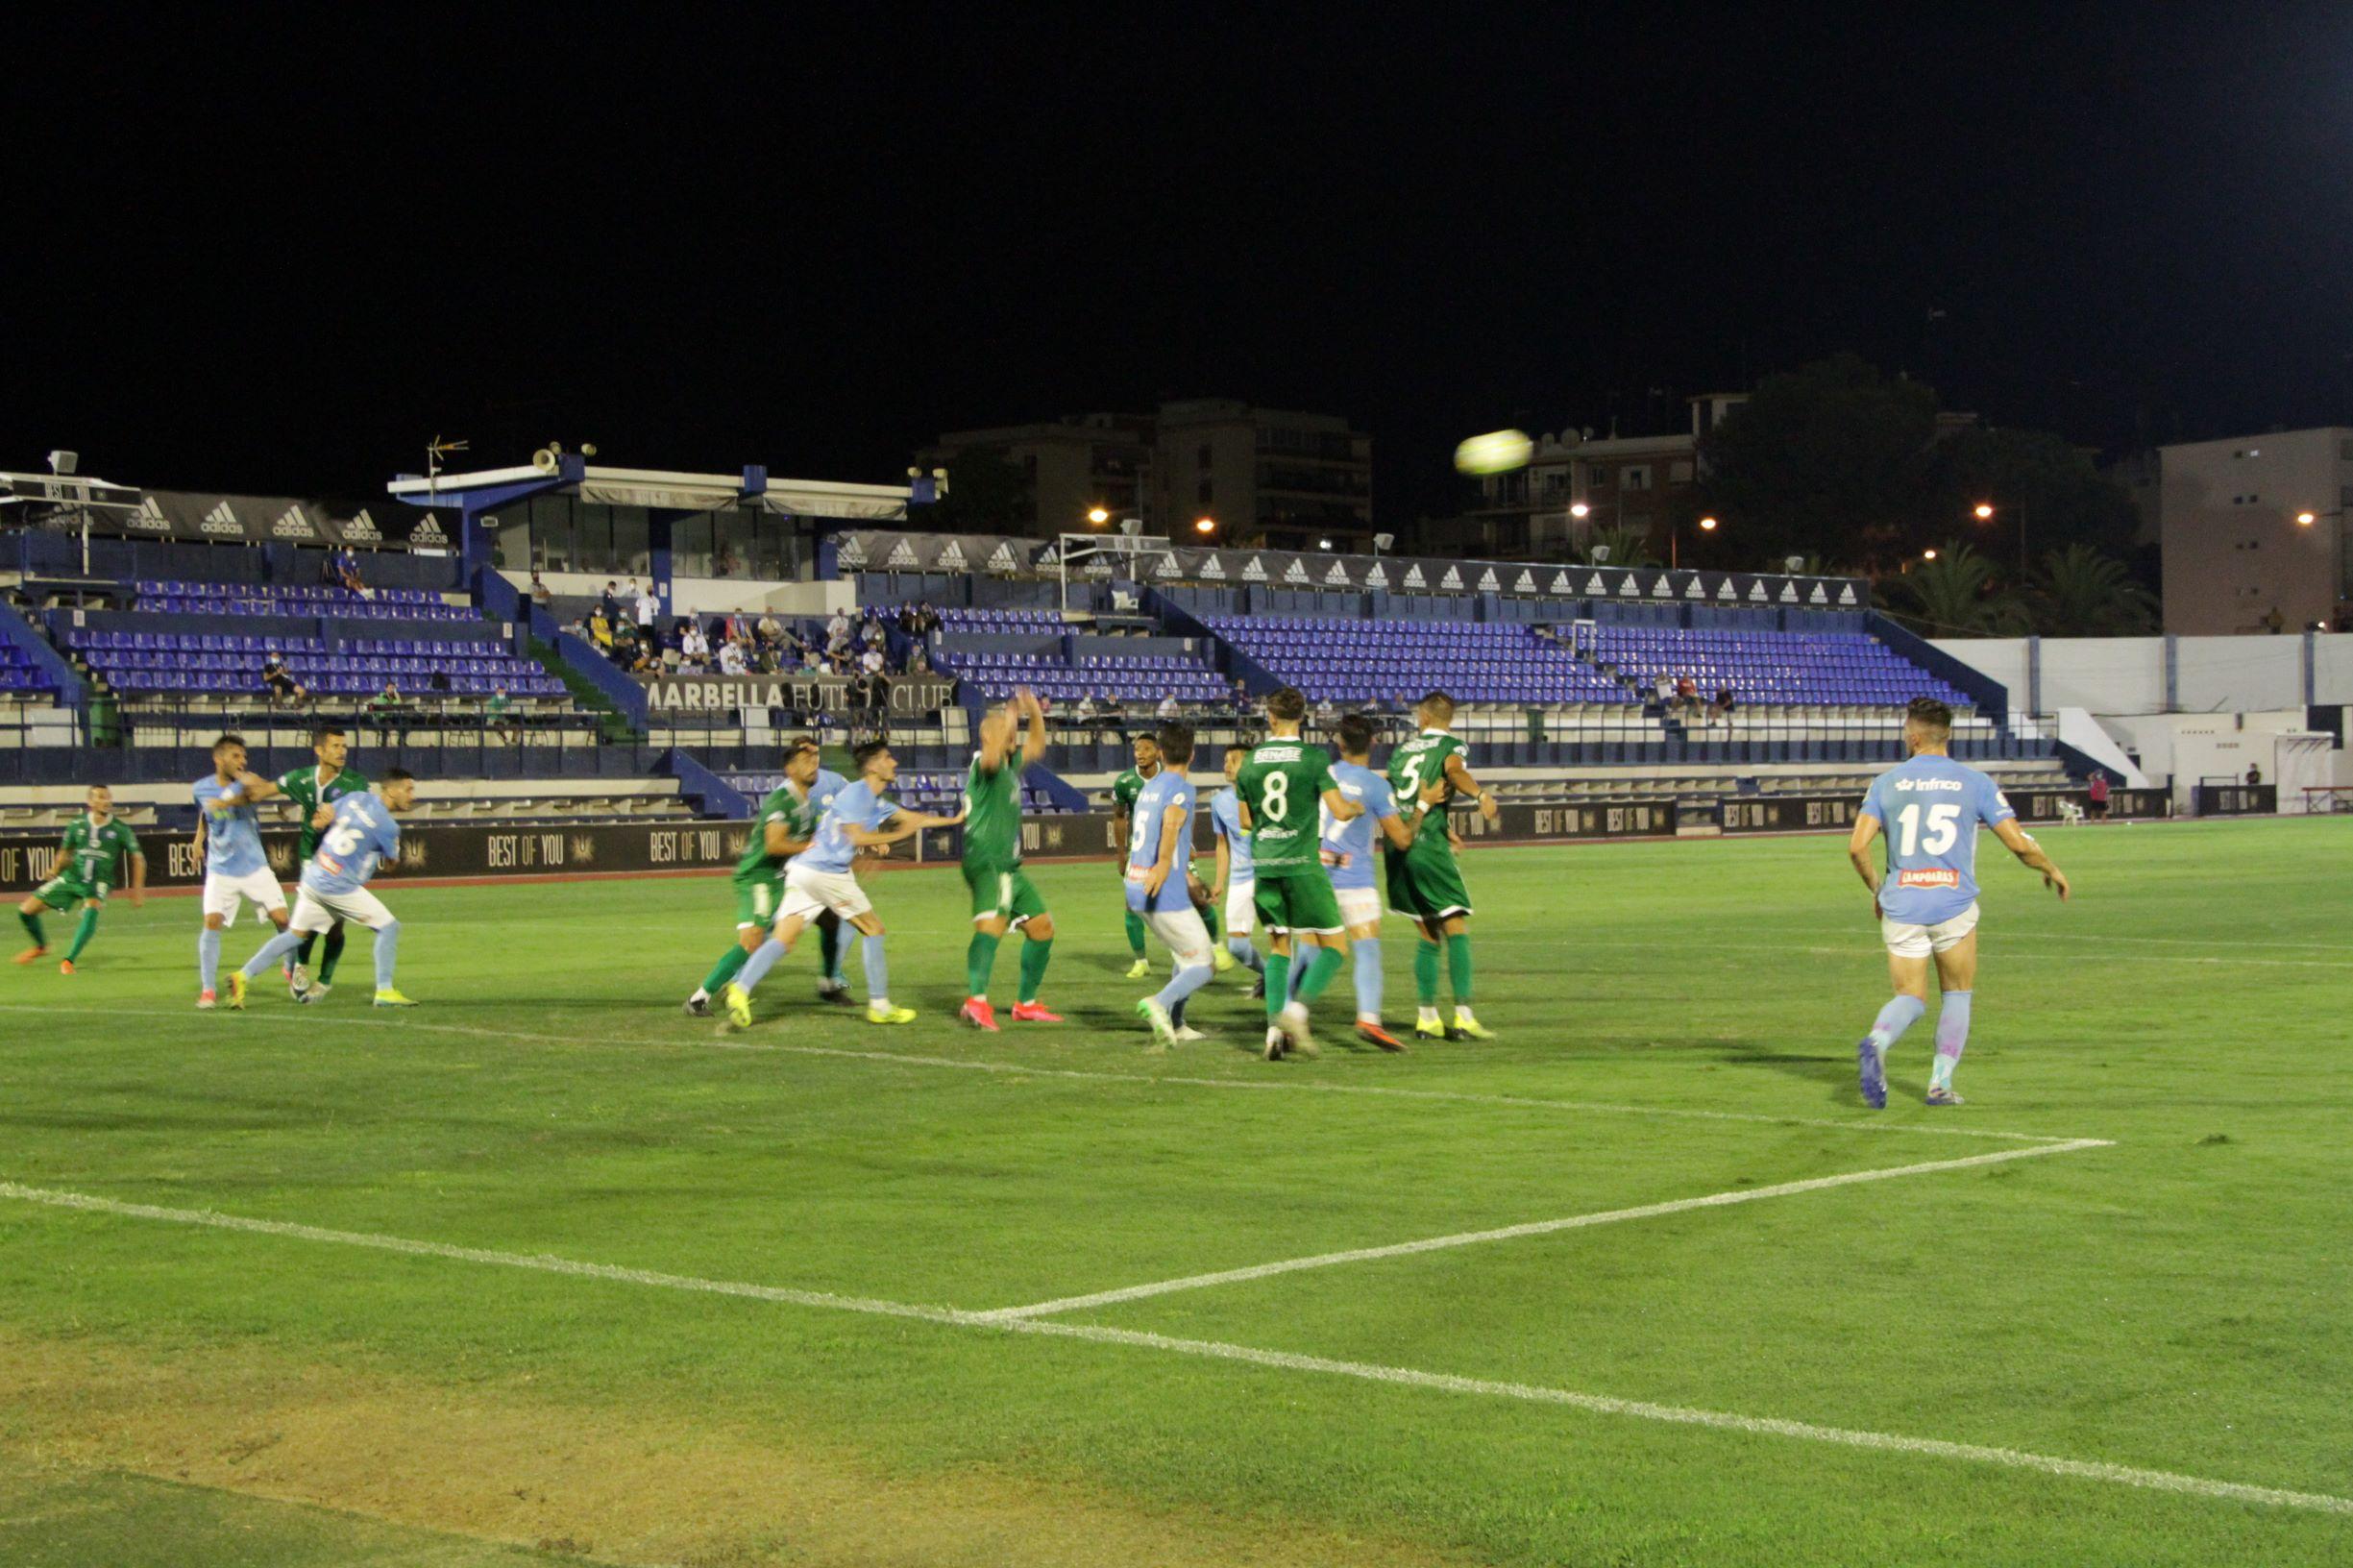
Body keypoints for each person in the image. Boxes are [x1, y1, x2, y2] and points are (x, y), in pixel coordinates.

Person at [1848, 698, 2071, 1108]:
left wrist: (1878, 889)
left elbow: (1857, 848)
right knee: (1957, 994)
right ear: (1945, 736)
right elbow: (2018, 844)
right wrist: (2050, 869)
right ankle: (1939, 1085)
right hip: (1953, 906)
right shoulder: (1976, 782)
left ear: (1913, 737)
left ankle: (1878, 1040)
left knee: (1911, 998)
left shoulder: (1886, 783)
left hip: (1902, 904)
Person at [721, 741, 962, 1030]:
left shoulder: (873, 799)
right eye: (888, 757)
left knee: (783, 939)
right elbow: (856, 837)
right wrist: (897, 836)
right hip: (827, 872)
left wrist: (956, 818)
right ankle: (880, 1006)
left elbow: (912, 818)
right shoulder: (857, 794)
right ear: (873, 766)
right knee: (873, 929)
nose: (894, 762)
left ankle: (740, 989)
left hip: (803, 870)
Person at [685, 738, 857, 1017]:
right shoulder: (782, 799)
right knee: (753, 940)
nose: (814, 762)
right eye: (805, 759)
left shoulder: (807, 804)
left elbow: (817, 835)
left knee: (829, 918)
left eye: (815, 757)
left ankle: (827, 984)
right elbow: (774, 844)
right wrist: (809, 848)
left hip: (781, 877)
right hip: (759, 878)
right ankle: (699, 998)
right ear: (789, 769)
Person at [1236, 686, 1363, 1059]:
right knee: (1336, 946)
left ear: (1271, 717)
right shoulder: (1312, 758)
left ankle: (1273, 1031)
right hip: (1302, 866)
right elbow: (1339, 811)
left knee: (1279, 947)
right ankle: (1297, 1010)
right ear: (1302, 717)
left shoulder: (1252, 760)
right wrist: (1356, 807)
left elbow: (1245, 819)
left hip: (1266, 863)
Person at [230, 770, 419, 1010]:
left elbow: (319, 820)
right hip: (339, 886)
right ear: (391, 789)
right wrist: (389, 851)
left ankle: (242, 976)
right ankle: (384, 990)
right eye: (408, 789)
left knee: (294, 936)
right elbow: (391, 866)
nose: (412, 795)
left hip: (314, 877)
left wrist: (321, 821)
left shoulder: (355, 797)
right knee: (388, 927)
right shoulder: (388, 826)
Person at [1385, 690, 1502, 1041]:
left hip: (1398, 844)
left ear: (1423, 717)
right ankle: (1464, 1017)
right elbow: (1454, 772)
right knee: (1455, 926)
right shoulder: (1450, 745)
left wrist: (1443, 826)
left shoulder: (1402, 750)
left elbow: (1400, 798)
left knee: (1426, 932)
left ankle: (1427, 1019)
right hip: (1427, 850)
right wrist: (1480, 795)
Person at [1306, 713, 1422, 1050]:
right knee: (1367, 947)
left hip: (1317, 873)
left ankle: (1290, 1015)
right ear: (1373, 743)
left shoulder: (1320, 774)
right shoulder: (1375, 785)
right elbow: (1401, 839)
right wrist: (1422, 808)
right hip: (1355, 879)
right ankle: (1369, 1019)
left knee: (1311, 949)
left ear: (1338, 744)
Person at [958, 688, 1063, 1030]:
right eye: (1007, 733)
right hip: (988, 861)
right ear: (990, 736)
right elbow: (989, 758)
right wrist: (998, 729)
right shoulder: (984, 764)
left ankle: (1025, 1004)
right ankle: (976, 1001)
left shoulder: (1009, 765)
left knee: (1042, 927)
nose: (1013, 737)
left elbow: (1037, 746)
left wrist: (1033, 713)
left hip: (1009, 866)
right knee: (992, 926)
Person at [1129, 723, 1220, 1049]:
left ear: (1162, 753)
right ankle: (1159, 1003)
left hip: (1137, 884)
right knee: (1205, 964)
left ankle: (1178, 1024)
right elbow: (1171, 822)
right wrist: (1166, 865)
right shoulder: (1181, 788)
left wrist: (1187, 875)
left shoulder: (1150, 787)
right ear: (1193, 754)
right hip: (1161, 887)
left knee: (1184, 955)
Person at [191, 734, 294, 1009]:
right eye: (236, 756)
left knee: (284, 921)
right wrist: (198, 839)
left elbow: (254, 788)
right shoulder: (200, 788)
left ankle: (291, 967)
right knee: (212, 922)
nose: (242, 760)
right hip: (220, 868)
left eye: (244, 756)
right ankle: (208, 991)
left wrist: (240, 780)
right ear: (218, 758)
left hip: (253, 865)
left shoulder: (247, 781)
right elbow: (205, 813)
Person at [274, 725, 370, 1001]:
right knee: (310, 921)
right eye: (336, 746)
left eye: (344, 747)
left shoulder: (356, 783)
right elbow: (270, 788)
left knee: (336, 925)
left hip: (342, 862)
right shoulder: (304, 779)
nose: (342, 752)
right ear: (319, 750)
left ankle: (325, 980)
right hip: (311, 859)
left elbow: (363, 814)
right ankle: (300, 967)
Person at [15, 784, 144, 973]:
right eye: (100, 797)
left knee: (92, 908)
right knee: (25, 911)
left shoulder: (120, 829)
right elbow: (65, 852)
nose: (106, 801)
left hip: (98, 881)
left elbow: (138, 858)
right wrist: (55, 869)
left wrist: (137, 890)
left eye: (108, 797)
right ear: (90, 802)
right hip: (72, 877)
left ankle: (69, 960)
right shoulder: (77, 825)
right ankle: (42, 946)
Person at [1209, 746, 1264, 990]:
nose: (1227, 765)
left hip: (1268, 875)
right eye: (1225, 760)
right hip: (1240, 879)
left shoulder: (1267, 796)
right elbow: (1223, 844)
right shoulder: (1219, 801)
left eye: (1234, 760)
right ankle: (1269, 975)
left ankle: (1285, 990)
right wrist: (1219, 882)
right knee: (1237, 947)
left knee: (1281, 937)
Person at [1108, 733, 1162, 978]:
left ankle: (1204, 949)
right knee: (1131, 906)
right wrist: (1121, 854)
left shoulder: (1170, 777)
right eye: (1137, 749)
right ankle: (1141, 961)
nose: (1140, 754)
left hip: (1169, 851)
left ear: (1158, 752)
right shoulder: (1125, 781)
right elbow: (1120, 818)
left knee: (1190, 899)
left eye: (1146, 749)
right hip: (1139, 854)